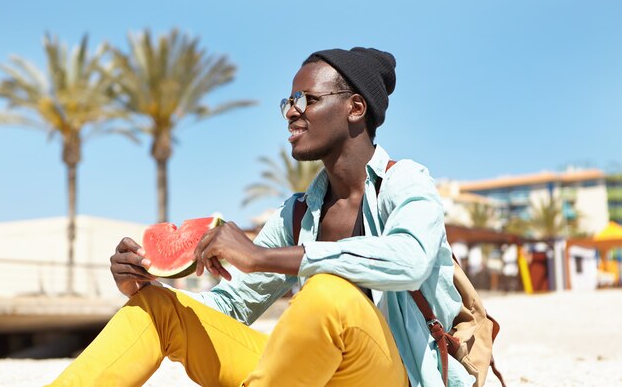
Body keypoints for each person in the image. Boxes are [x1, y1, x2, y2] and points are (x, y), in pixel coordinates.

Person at [47, 47, 475, 387]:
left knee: (329, 293)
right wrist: (145, 284)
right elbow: (230, 308)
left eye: (306, 99)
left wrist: (263, 257)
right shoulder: (297, 214)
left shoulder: (406, 182)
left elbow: (410, 259)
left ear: (356, 108)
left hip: (392, 377)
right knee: (160, 309)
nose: (291, 111)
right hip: (308, 377)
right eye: (288, 101)